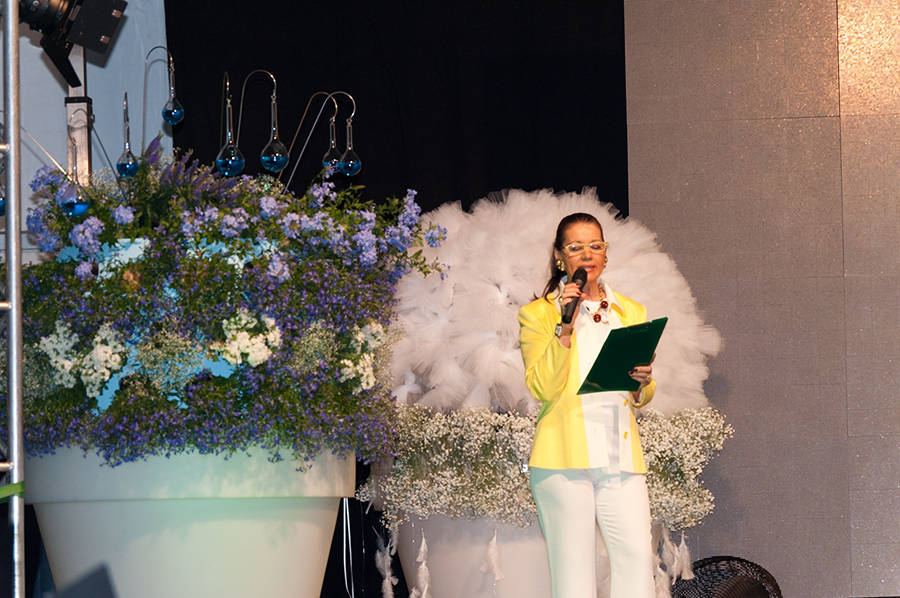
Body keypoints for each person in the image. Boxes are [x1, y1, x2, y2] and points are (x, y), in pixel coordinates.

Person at [518, 212, 656, 598]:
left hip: (620, 457)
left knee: (636, 562)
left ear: (606, 254)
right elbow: (543, 387)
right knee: (574, 574)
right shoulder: (538, 314)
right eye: (576, 247)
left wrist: (642, 383)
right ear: (560, 256)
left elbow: (640, 392)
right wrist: (564, 326)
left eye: (595, 245)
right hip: (563, 460)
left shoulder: (631, 311)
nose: (587, 254)